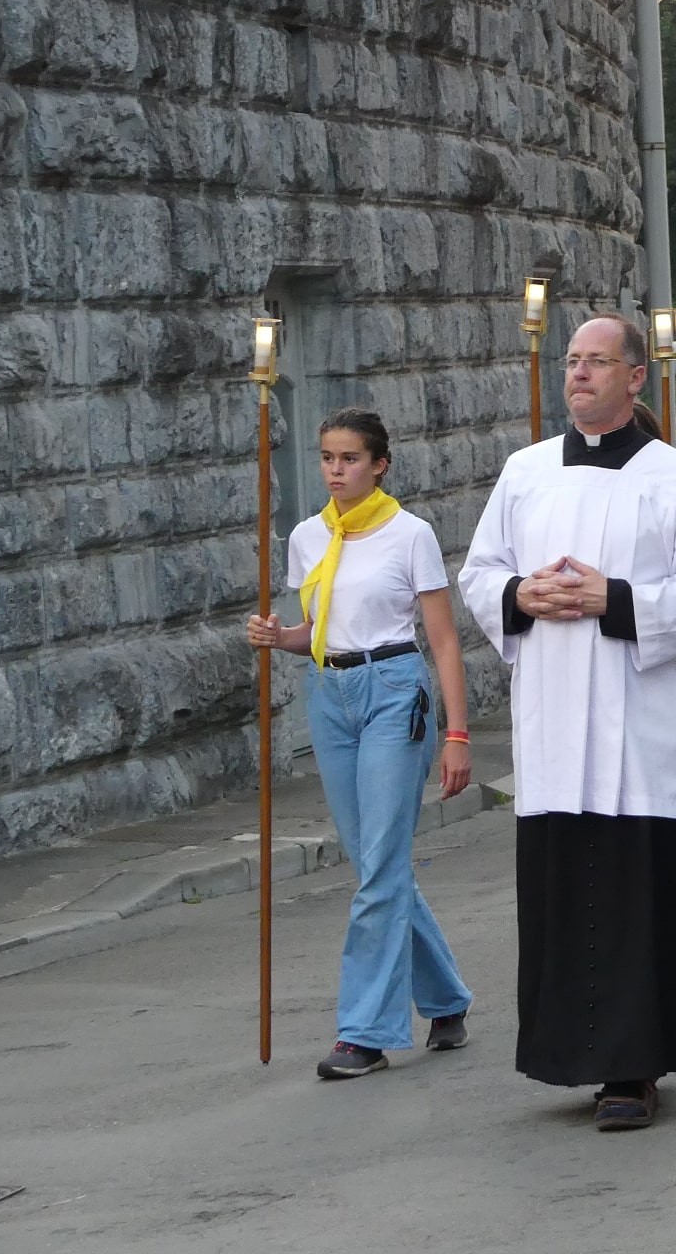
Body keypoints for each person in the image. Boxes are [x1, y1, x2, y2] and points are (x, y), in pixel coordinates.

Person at [458, 315, 676, 1131]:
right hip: (552, 718)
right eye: (572, 362)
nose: (578, 374)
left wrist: (613, 599)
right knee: (561, 891)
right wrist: (520, 597)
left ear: (635, 378)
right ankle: (565, 1052)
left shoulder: (674, 476)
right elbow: (480, 571)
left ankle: (632, 1067)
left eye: (596, 363)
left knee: (632, 896)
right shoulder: (526, 470)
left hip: (633, 725)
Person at [245, 409, 475, 1081]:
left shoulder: (410, 535)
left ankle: (365, 1031)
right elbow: (317, 628)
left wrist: (457, 735)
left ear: (379, 464)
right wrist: (276, 637)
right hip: (331, 694)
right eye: (327, 458)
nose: (336, 469)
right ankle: (447, 998)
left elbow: (443, 640)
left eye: (349, 458)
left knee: (379, 866)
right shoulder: (309, 536)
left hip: (394, 689)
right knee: (374, 863)